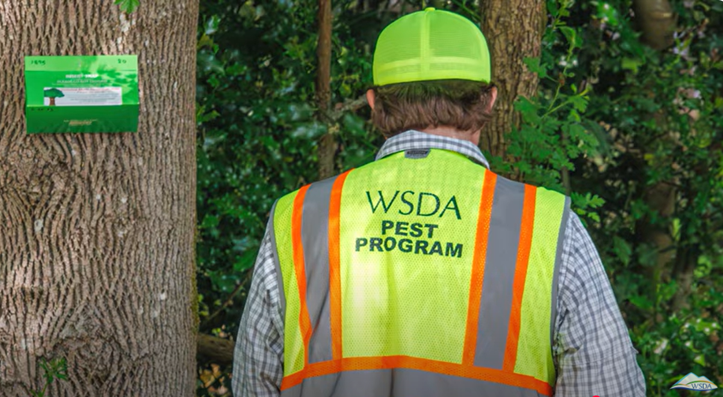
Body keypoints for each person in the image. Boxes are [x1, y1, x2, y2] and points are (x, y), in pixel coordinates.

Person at [233, 7, 646, 397]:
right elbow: (607, 385)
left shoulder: (299, 218)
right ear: (489, 100)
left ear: (375, 103)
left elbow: (254, 382)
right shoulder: (548, 227)